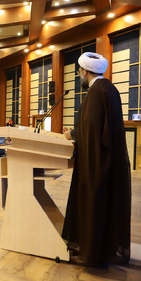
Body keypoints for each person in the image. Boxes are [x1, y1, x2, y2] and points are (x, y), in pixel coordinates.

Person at [62, 52, 131, 267]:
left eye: (79, 72)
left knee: (94, 203)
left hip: (96, 162)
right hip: (109, 159)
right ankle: (105, 248)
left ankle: (92, 253)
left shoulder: (94, 93)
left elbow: (91, 129)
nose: (79, 76)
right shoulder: (110, 88)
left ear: (85, 71)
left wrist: (72, 135)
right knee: (106, 204)